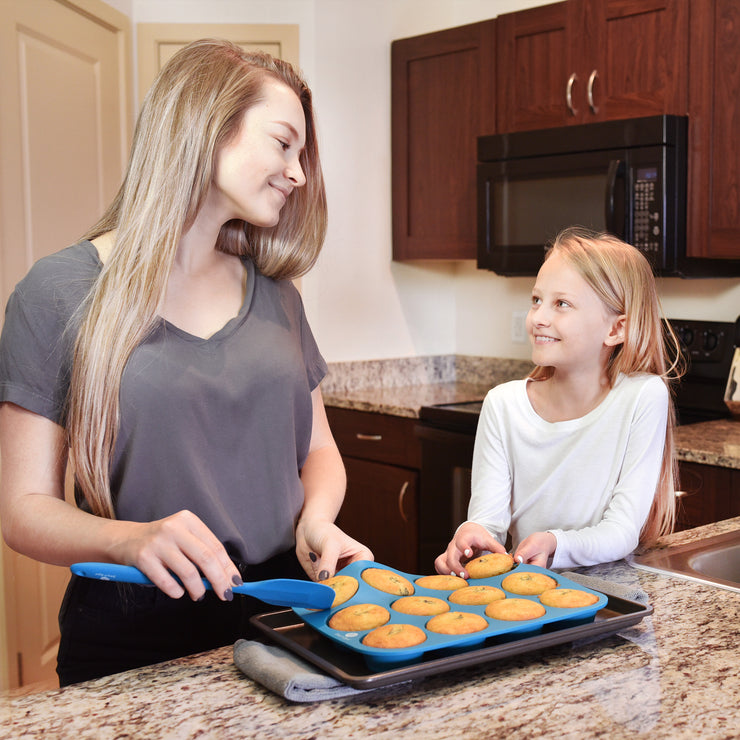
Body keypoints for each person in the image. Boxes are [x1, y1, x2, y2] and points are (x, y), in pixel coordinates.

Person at [0, 39, 372, 685]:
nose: (299, 173)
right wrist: (129, 539)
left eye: (303, 155)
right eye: (284, 144)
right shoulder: (58, 292)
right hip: (132, 630)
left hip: (284, 617)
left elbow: (318, 450)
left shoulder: (278, 294)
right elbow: (24, 508)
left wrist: (317, 520)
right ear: (209, 127)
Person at [436, 226, 681, 576]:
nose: (538, 317)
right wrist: (470, 536)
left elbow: (622, 530)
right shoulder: (502, 405)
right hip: (528, 599)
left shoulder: (642, 396)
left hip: (613, 594)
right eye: (536, 300)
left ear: (616, 329)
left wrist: (556, 543)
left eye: (561, 304)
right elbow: (487, 525)